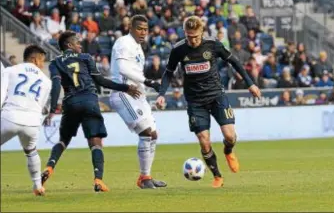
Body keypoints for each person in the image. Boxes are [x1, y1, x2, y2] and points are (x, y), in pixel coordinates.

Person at [156, 16, 261, 188]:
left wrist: (250, 83)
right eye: (189, 37)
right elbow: (168, 72)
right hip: (195, 101)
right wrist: (161, 94)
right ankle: (218, 176)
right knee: (204, 140)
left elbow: (234, 61)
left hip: (216, 96)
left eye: (196, 36)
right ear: (185, 33)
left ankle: (228, 150)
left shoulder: (213, 44)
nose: (193, 40)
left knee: (229, 136)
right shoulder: (179, 49)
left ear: (202, 32)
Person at [41, 31, 141, 193]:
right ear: (69, 45)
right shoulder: (85, 58)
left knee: (63, 141)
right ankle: (98, 180)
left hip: (70, 103)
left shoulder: (55, 63)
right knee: (95, 142)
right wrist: (126, 87)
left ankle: (49, 168)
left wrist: (52, 109)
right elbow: (101, 81)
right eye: (77, 42)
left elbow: (56, 86)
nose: (80, 45)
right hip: (89, 101)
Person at [109, 15, 167, 189]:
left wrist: (147, 89)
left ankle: (145, 176)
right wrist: (150, 82)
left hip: (137, 94)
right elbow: (123, 69)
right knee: (146, 132)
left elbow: (136, 75)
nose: (143, 32)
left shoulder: (139, 49)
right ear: (131, 28)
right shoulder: (123, 43)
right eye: (139, 28)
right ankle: (144, 179)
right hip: (123, 93)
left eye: (145, 29)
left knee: (153, 135)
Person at [1, 45, 52, 196]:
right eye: (42, 61)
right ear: (34, 59)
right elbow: (41, 106)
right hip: (32, 122)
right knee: (31, 151)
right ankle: (38, 186)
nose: (43, 65)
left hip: (10, 116)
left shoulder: (10, 70)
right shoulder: (46, 81)